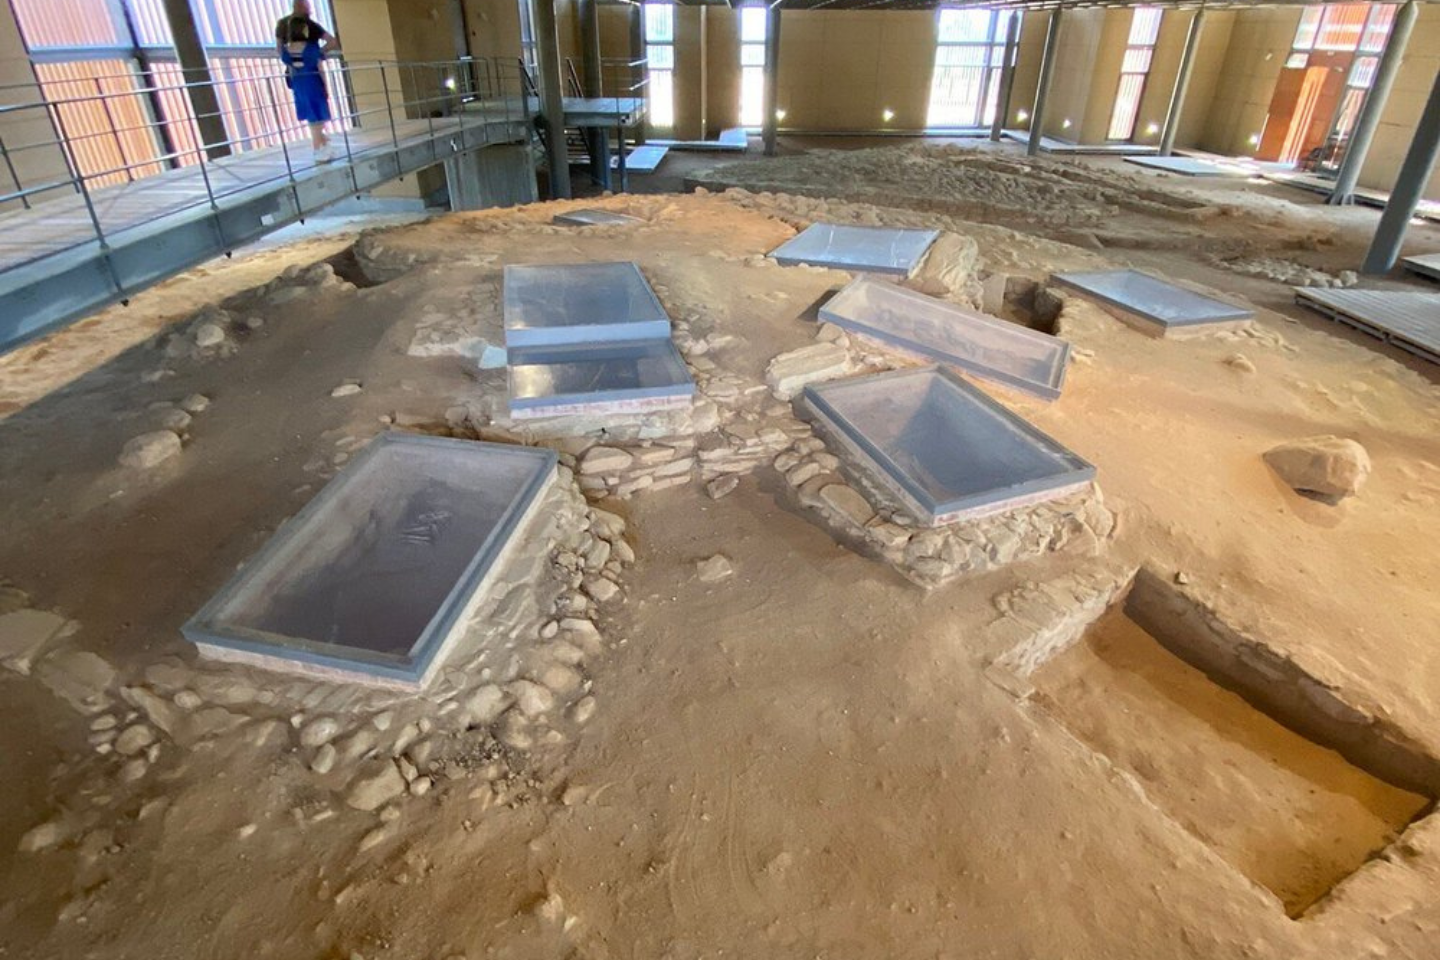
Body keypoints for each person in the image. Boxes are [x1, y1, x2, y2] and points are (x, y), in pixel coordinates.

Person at [275, 1, 340, 162]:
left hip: (298, 83)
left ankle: (322, 145)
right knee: (317, 115)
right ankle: (319, 148)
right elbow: (320, 65)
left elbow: (282, 55)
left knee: (311, 115)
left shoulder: (286, 50)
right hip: (313, 82)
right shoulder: (311, 49)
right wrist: (325, 86)